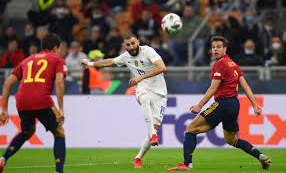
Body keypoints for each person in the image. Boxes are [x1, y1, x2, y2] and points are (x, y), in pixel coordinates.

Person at [168, 36, 271, 171]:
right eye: (213, 47)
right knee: (232, 140)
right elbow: (245, 86)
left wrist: (200, 105)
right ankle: (260, 156)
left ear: (225, 49)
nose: (215, 50)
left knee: (190, 129)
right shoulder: (233, 64)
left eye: (218, 47)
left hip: (223, 103)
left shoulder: (219, 64)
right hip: (234, 104)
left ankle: (187, 164)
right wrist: (255, 105)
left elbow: (213, 88)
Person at [81, 33, 167, 169]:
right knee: (144, 98)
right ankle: (153, 134)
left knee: (151, 134)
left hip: (160, 93)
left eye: (133, 43)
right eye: (128, 44)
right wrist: (90, 63)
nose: (132, 46)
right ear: (124, 46)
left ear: (138, 41)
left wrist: (140, 77)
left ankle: (138, 158)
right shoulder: (125, 57)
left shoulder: (148, 51)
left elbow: (162, 67)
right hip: (143, 87)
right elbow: (109, 61)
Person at [0, 34, 67, 173]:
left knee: (27, 131)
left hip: (22, 101)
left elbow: (7, 83)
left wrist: (4, 110)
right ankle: (59, 171)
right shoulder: (57, 59)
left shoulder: (26, 60)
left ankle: (3, 159)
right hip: (42, 99)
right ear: (55, 48)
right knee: (59, 133)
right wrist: (61, 108)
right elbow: (59, 81)